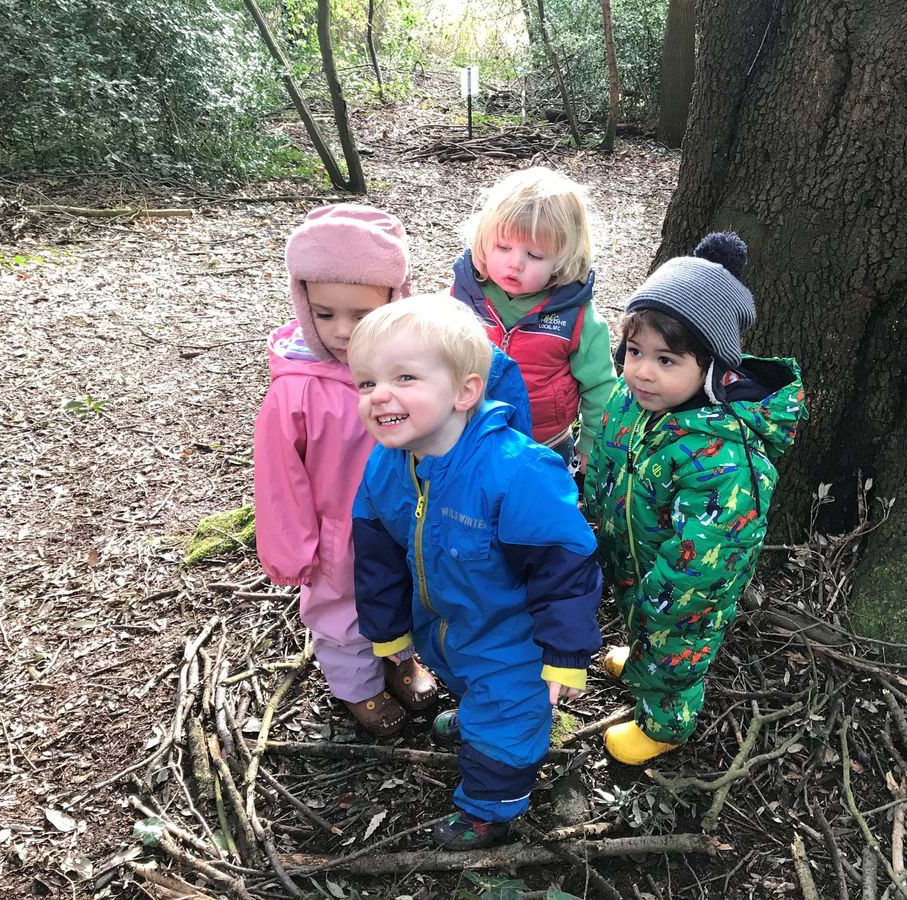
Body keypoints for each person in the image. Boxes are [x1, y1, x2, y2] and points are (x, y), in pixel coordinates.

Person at [254, 205, 530, 736]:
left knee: (402, 589)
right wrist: (292, 550)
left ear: (393, 301)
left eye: (360, 315)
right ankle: (357, 685)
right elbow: (278, 478)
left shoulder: (414, 363)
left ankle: (400, 659)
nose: (340, 331)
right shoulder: (297, 384)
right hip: (337, 532)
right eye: (324, 313)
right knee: (341, 609)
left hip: (405, 515)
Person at [348, 295, 603, 850]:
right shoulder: (386, 464)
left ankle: (491, 808)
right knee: (473, 690)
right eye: (366, 383)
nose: (379, 395)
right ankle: (479, 719)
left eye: (404, 377)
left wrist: (564, 654)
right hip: (446, 628)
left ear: (465, 391)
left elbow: (565, 564)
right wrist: (389, 631)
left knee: (507, 720)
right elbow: (376, 554)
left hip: (513, 640)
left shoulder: (517, 472)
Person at [583, 232, 807, 766]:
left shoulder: (722, 454)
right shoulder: (629, 401)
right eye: (635, 352)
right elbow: (607, 465)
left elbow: (715, 550)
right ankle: (641, 659)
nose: (641, 370)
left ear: (709, 368)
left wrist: (671, 603)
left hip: (683, 595)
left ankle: (666, 723)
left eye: (666, 360)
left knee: (676, 658)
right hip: (636, 567)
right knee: (642, 630)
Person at [451, 166, 615, 472]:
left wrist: (591, 444)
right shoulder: (463, 297)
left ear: (562, 259)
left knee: (536, 515)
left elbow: (600, 385)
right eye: (503, 247)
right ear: (484, 239)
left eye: (535, 256)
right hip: (468, 434)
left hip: (545, 444)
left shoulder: (576, 316)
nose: (515, 263)